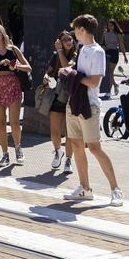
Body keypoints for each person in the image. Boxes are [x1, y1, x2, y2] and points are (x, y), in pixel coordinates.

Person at [60, 14, 123, 205]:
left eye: (75, 29)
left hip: (90, 105)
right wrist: (70, 70)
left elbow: (94, 82)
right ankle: (84, 188)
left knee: (95, 148)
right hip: (74, 103)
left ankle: (115, 189)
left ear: (81, 29)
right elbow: (79, 73)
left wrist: (72, 75)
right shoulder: (81, 48)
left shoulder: (98, 52)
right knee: (77, 146)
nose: (74, 33)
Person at [0, 23, 29, 164]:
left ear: (3, 33)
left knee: (14, 122)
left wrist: (15, 66)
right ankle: (5, 154)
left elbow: (28, 67)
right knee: (1, 123)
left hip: (13, 85)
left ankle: (18, 149)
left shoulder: (13, 49)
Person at [42, 32, 76, 170]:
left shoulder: (77, 55)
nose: (68, 41)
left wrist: (60, 51)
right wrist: (45, 77)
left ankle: (68, 159)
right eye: (64, 40)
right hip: (57, 95)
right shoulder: (56, 55)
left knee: (70, 132)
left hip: (72, 96)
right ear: (59, 42)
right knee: (55, 130)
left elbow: (68, 68)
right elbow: (48, 71)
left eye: (70, 39)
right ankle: (58, 152)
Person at [100, 19, 126, 99]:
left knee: (110, 72)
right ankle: (115, 85)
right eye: (109, 25)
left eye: (111, 25)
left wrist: (125, 56)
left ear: (115, 26)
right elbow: (102, 42)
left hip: (114, 53)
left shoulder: (118, 33)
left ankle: (108, 92)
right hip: (106, 52)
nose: (110, 26)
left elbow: (121, 44)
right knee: (107, 72)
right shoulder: (105, 32)